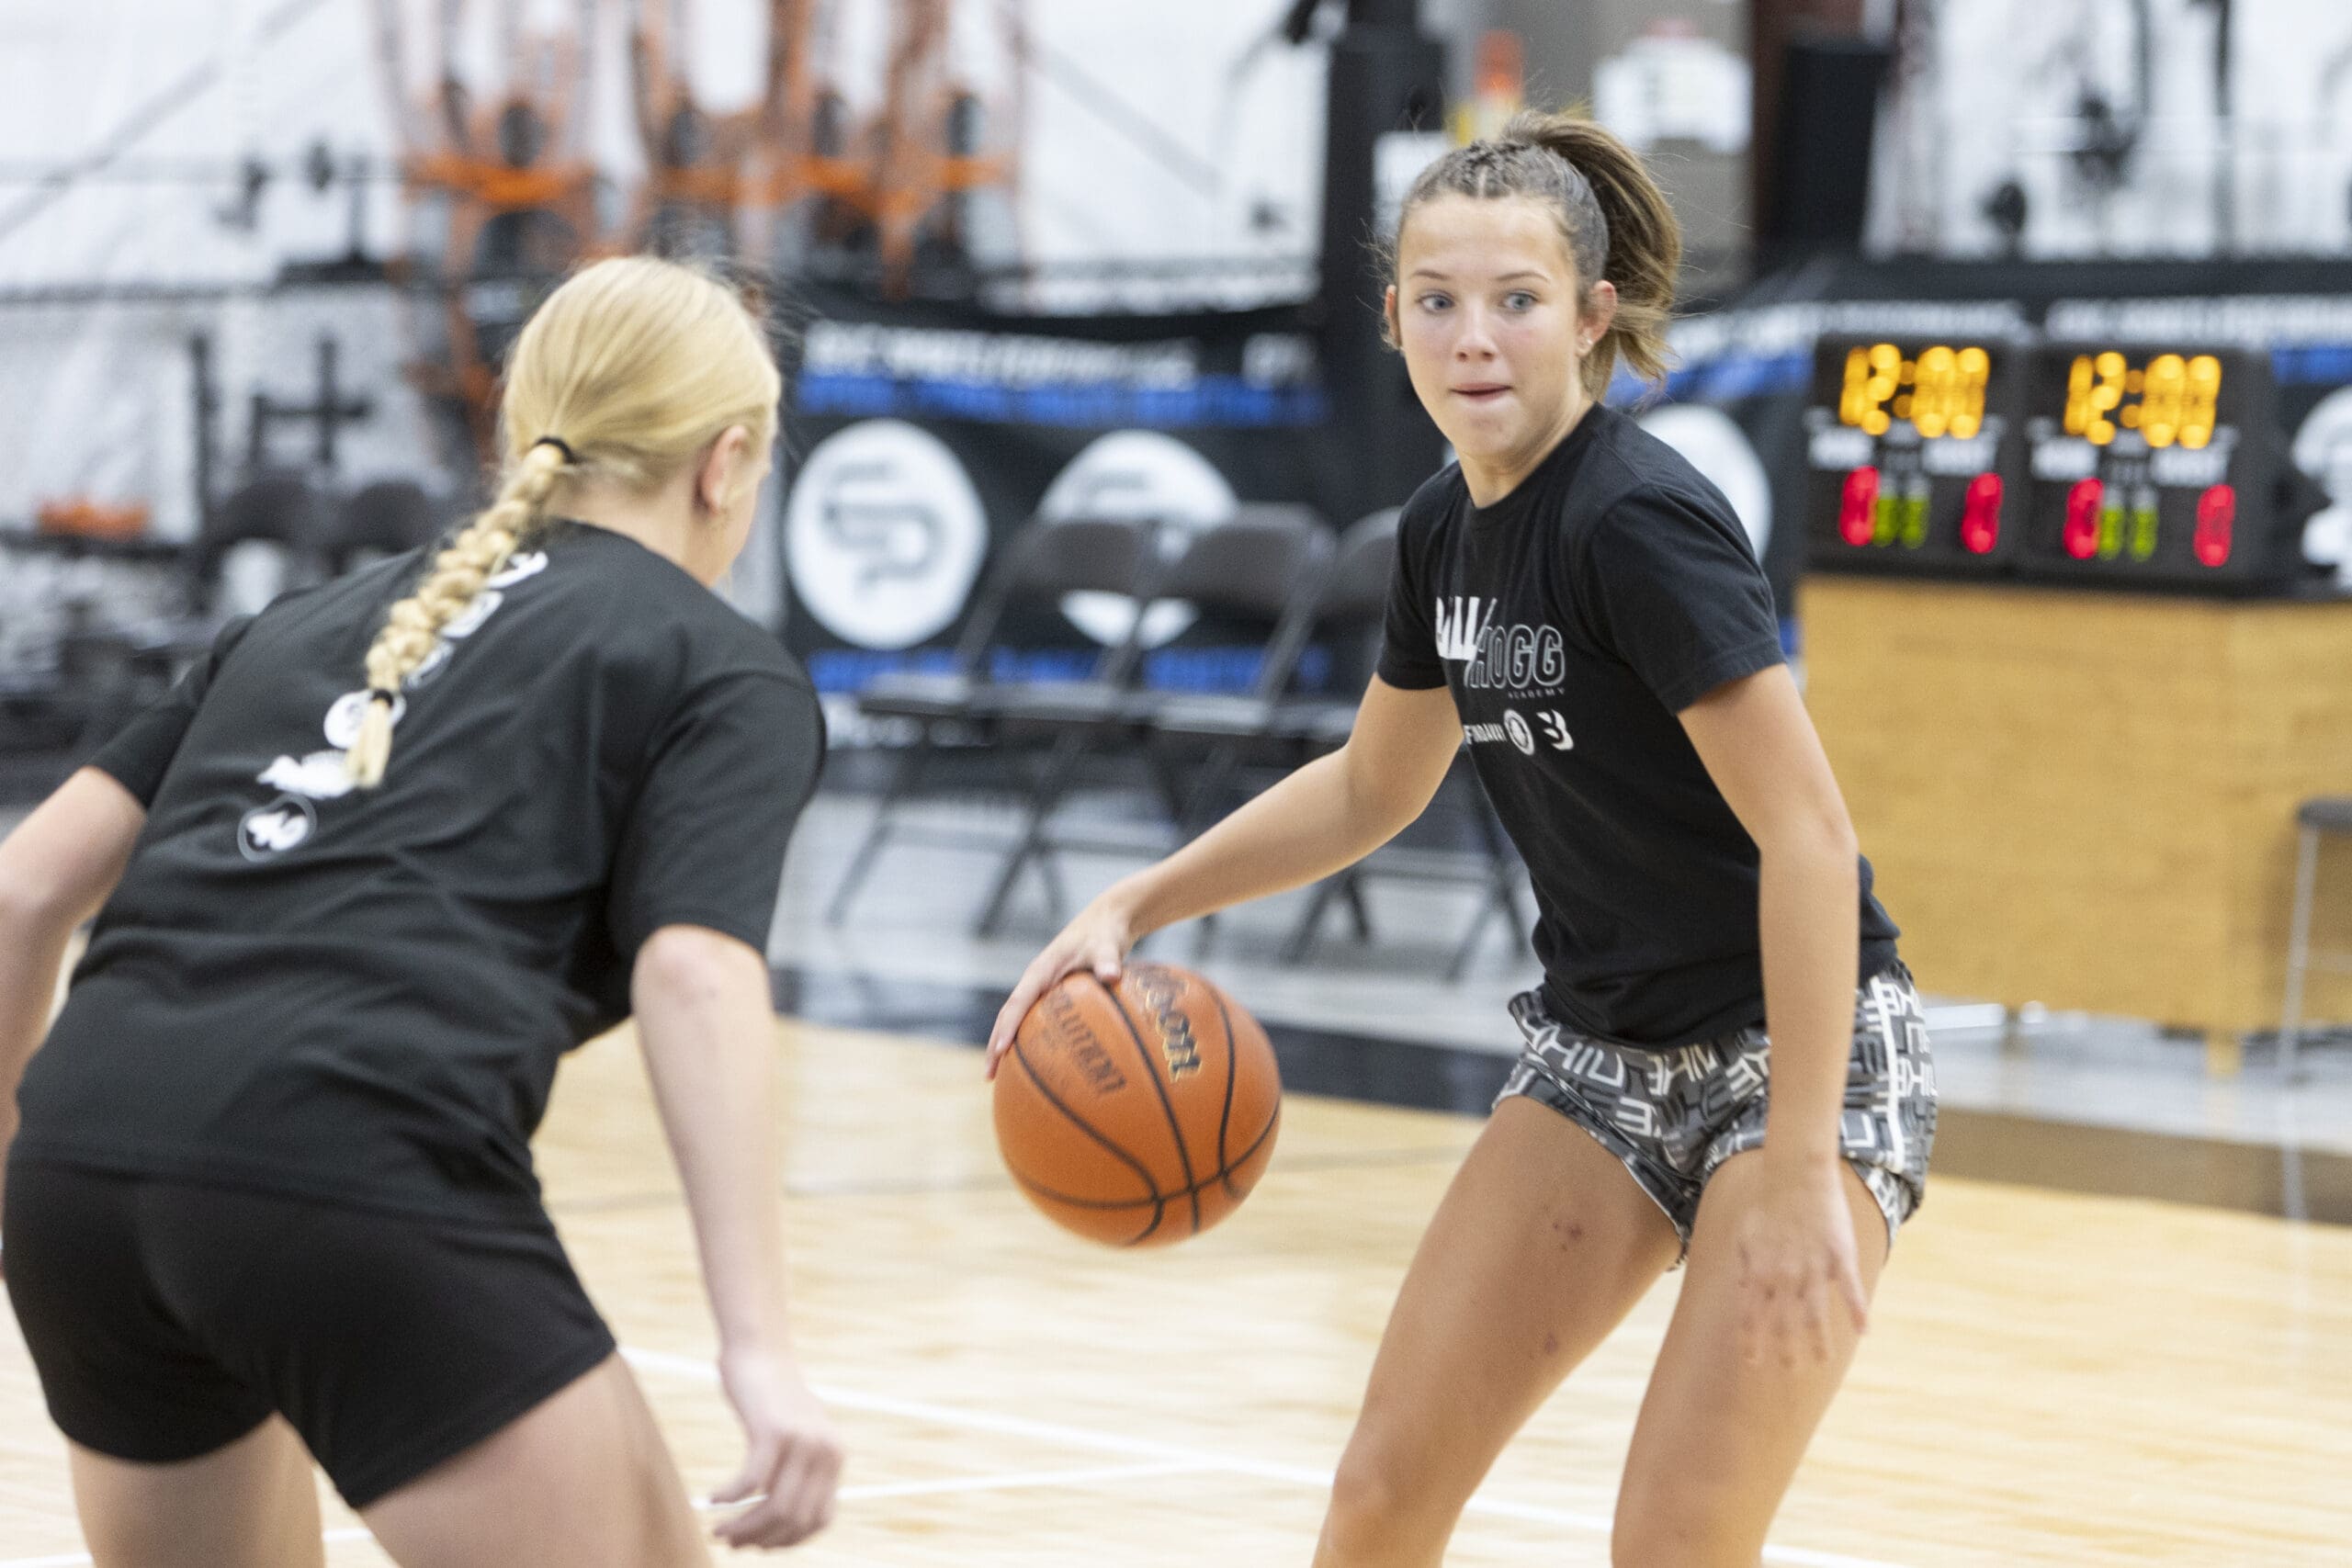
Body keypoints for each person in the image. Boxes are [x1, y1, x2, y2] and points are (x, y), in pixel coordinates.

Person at [987, 111, 1936, 1568]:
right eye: (1438, 300)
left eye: (1517, 300)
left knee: (1677, 1543)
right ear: (1392, 317)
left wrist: (1808, 1163)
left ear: (1591, 317)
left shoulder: (1637, 521)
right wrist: (1140, 899)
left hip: (1798, 1063)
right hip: (1602, 1056)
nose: (1474, 337)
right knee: (1381, 1497)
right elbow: (1375, 786)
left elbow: (1810, 839)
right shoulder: (1444, 527)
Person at [0, 255, 840, 1566]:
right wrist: (761, 1351)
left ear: (524, 430)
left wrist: (18, 1166)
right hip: (352, 1167)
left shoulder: (298, 622)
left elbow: (21, 891)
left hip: (80, 1178)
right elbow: (695, 974)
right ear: (726, 465)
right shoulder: (716, 665)